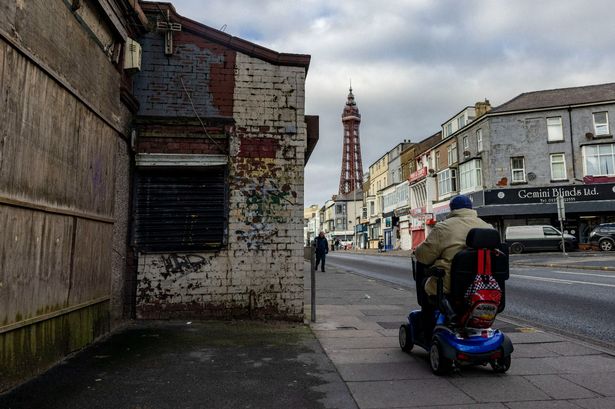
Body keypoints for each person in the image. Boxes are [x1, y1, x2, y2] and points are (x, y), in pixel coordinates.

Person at [414, 195, 493, 338]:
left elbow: (424, 256)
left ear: (452, 209)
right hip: (483, 284)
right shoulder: (487, 227)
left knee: (424, 281)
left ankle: (427, 328)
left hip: (450, 285)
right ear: (470, 208)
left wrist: (417, 250)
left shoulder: (444, 227)